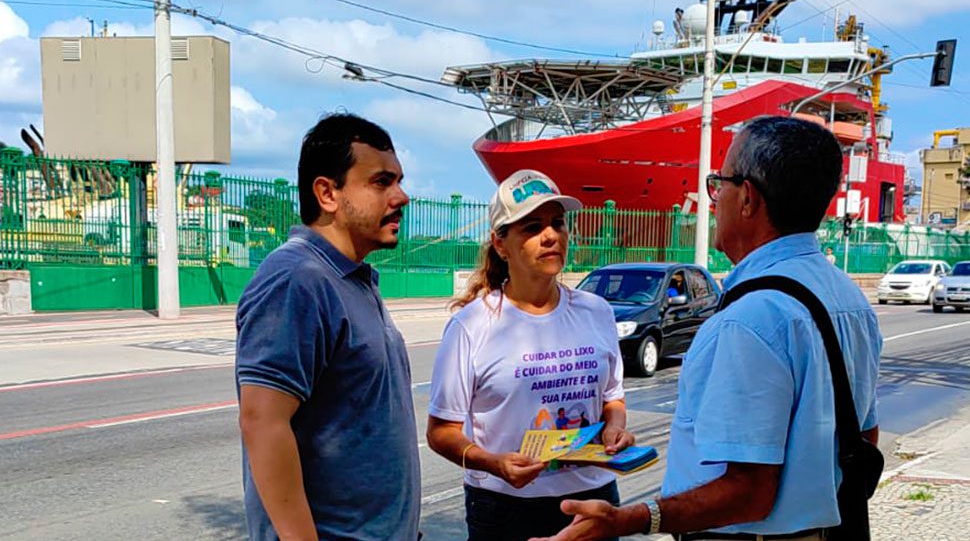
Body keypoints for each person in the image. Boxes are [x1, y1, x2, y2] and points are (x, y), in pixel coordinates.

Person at [537, 116, 883, 540]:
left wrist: (632, 518)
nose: (713, 199)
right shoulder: (849, 300)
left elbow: (750, 492)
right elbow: (865, 437)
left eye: (720, 183)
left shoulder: (750, 320)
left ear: (748, 199)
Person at [234, 114, 420, 540]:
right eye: (381, 182)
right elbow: (262, 422)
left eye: (399, 181)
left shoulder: (350, 279)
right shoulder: (297, 278)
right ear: (327, 193)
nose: (402, 196)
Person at [426, 169, 636, 541]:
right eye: (532, 227)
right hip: (504, 507)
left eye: (558, 223)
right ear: (500, 244)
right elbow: (442, 432)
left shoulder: (597, 312)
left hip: (592, 497)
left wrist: (616, 427)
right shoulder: (470, 326)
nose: (551, 235)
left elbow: (612, 399)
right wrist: (492, 462)